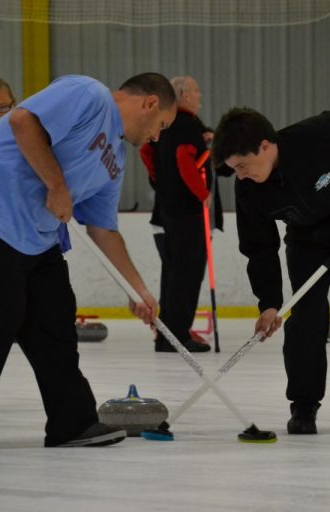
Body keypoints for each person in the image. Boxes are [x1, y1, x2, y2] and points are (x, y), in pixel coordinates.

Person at [0, 72, 177, 450]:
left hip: (36, 237)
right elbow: (23, 121)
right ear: (150, 103)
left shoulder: (117, 159)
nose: (157, 136)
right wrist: (58, 187)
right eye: (161, 126)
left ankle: (71, 424)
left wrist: (137, 290)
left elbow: (103, 229)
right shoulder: (87, 93)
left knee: (55, 324)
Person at [212, 107, 330, 434]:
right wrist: (269, 303)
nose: (241, 175)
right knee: (306, 314)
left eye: (242, 165)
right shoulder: (248, 188)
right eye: (234, 169)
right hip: (308, 238)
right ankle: (304, 405)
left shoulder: (320, 136)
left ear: (265, 146)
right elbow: (259, 249)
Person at [139, 76, 230, 352]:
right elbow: (183, 159)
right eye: (196, 90)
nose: (200, 95)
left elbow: (146, 150)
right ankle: (177, 336)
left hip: (166, 212)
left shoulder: (166, 125)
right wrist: (203, 194)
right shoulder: (187, 124)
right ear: (183, 95)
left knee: (173, 274)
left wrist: (160, 181)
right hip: (189, 213)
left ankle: (167, 334)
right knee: (187, 275)